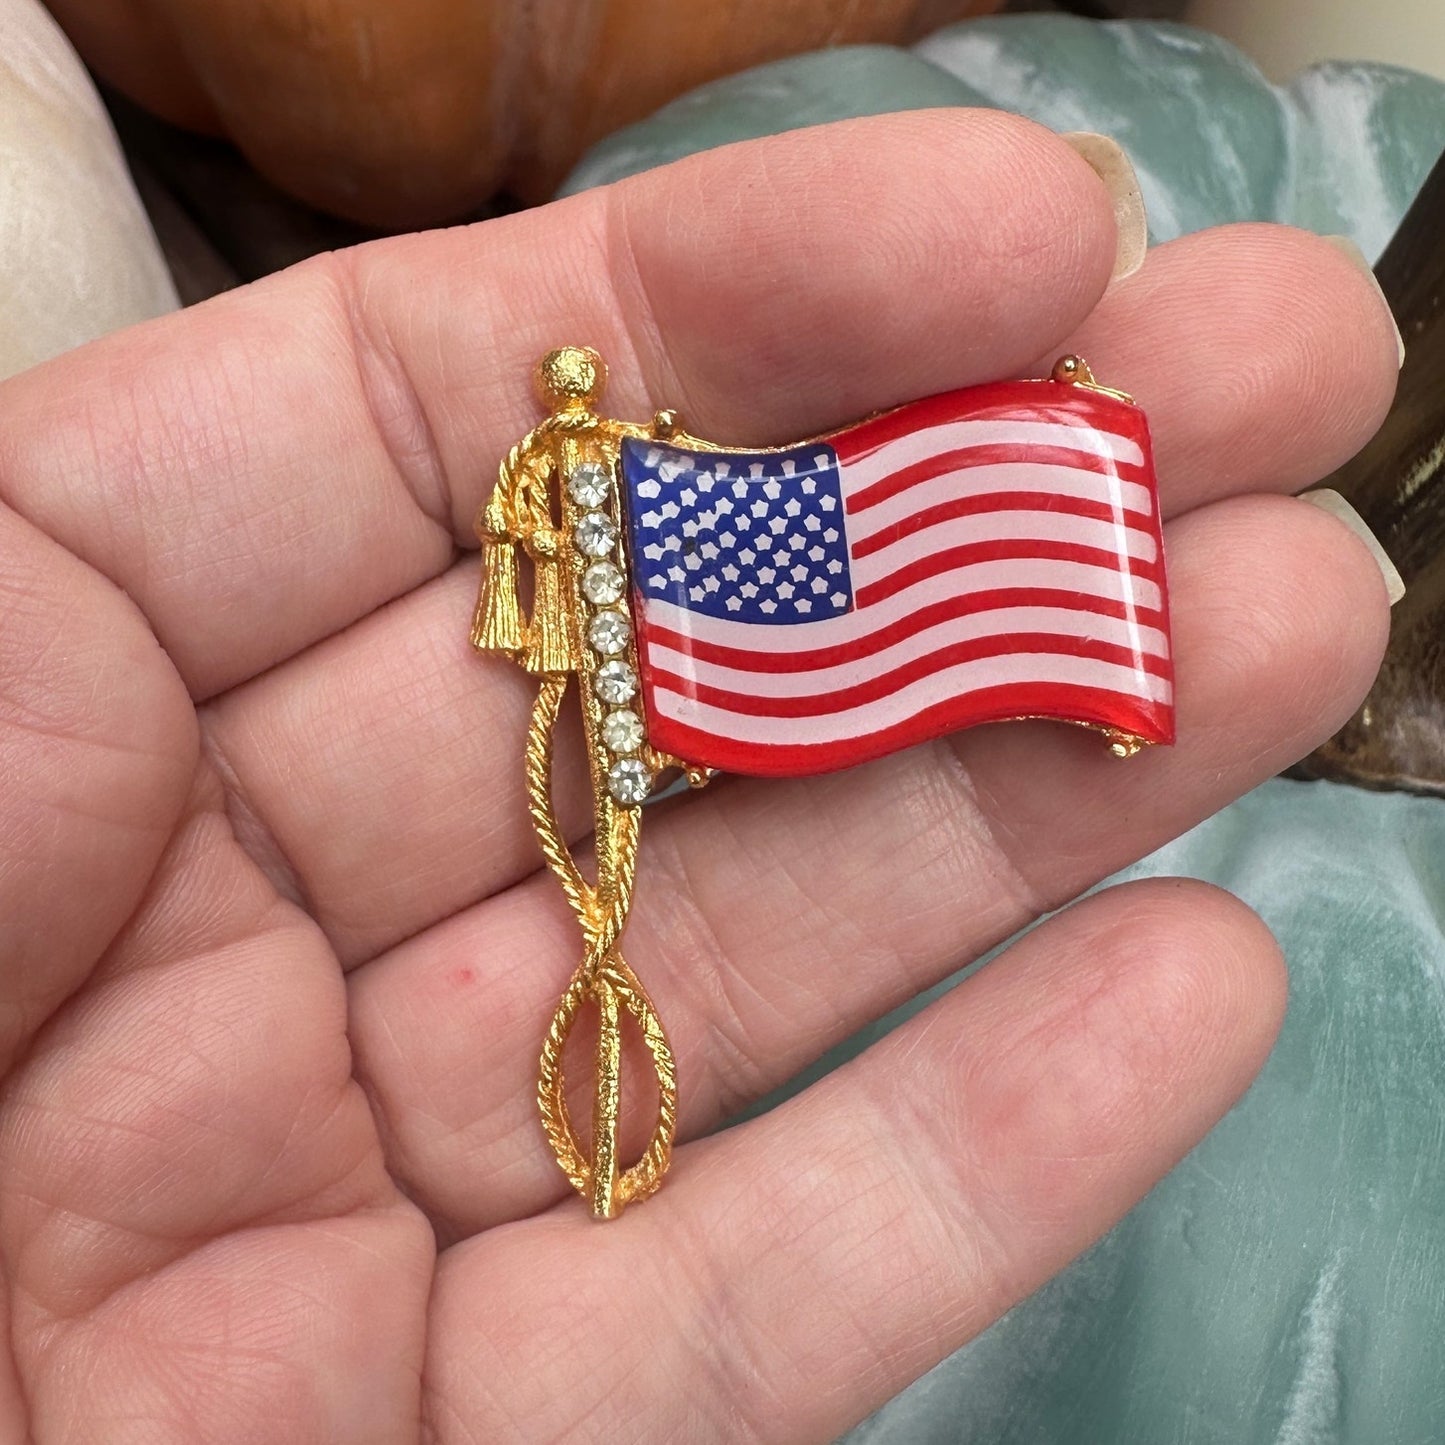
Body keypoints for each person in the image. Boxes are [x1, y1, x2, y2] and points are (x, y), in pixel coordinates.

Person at [0, 110, 1402, 1441]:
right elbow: (511, 531)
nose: (559, 396)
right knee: (588, 897)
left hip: (607, 639)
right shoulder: (554, 471)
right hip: (575, 644)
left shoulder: (598, 465)